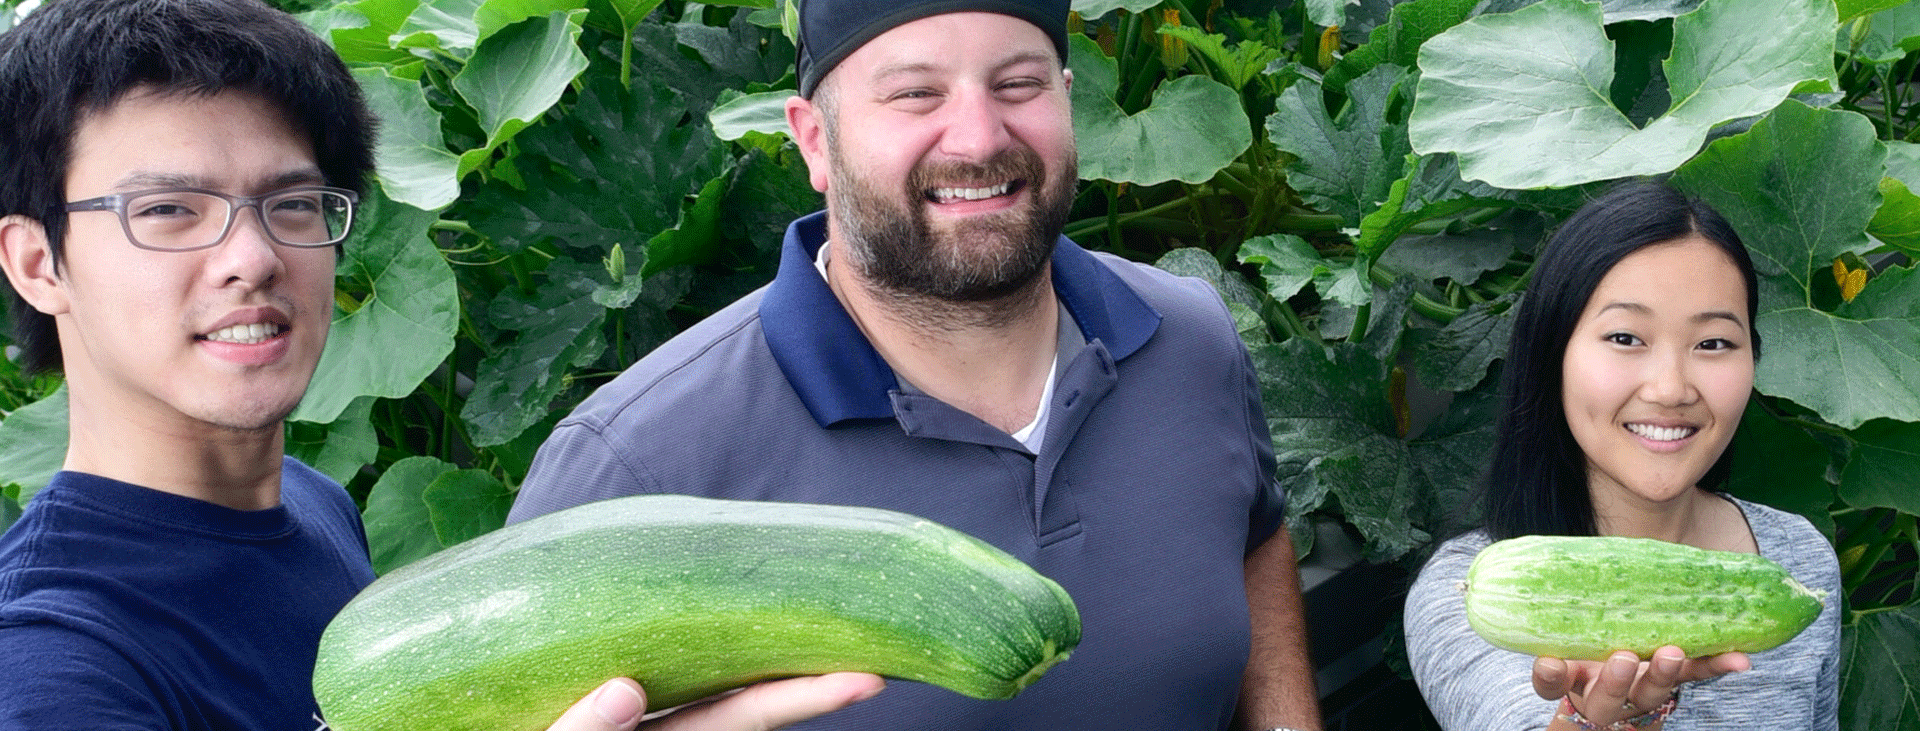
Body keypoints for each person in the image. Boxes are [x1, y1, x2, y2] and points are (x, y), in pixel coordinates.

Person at [0, 1, 881, 729]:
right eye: (168, 209)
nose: (252, 257)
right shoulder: (50, 660)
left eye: (294, 203)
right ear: (38, 261)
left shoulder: (309, 502)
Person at [507, 1, 1323, 729]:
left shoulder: (1190, 339)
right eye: (915, 94)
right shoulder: (632, 468)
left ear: (1068, 101)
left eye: (1017, 84)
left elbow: (1255, 540)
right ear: (814, 141)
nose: (979, 137)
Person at [1402, 181, 1842, 730]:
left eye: (1713, 343)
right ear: (1552, 352)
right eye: (1626, 338)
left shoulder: (1798, 561)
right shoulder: (1471, 594)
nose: (1670, 388)